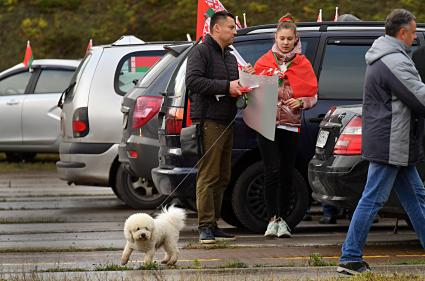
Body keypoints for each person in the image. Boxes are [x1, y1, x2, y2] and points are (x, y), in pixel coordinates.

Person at [337, 9, 425, 276]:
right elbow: (419, 98)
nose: (415, 37)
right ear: (402, 33)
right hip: (391, 142)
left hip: (393, 140)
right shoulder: (394, 60)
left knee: (416, 199)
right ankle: (350, 257)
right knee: (373, 198)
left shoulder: (386, 56)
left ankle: (350, 256)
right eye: (413, 32)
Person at [253, 14, 318, 238]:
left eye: (290, 38)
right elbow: (252, 90)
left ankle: (284, 221)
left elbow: (312, 95)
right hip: (266, 123)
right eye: (282, 38)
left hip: (290, 124)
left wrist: (302, 101)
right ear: (276, 37)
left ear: (296, 38)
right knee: (271, 170)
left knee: (287, 172)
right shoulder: (264, 61)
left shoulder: (302, 63)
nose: (286, 42)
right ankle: (272, 219)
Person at [186, 11, 244, 244]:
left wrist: (243, 84)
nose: (235, 31)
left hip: (227, 119)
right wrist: (226, 86)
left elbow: (232, 85)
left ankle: (214, 223)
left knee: (223, 175)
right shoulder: (201, 51)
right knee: (208, 175)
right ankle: (205, 227)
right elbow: (193, 81)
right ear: (216, 29)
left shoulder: (229, 55)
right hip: (209, 120)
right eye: (231, 27)